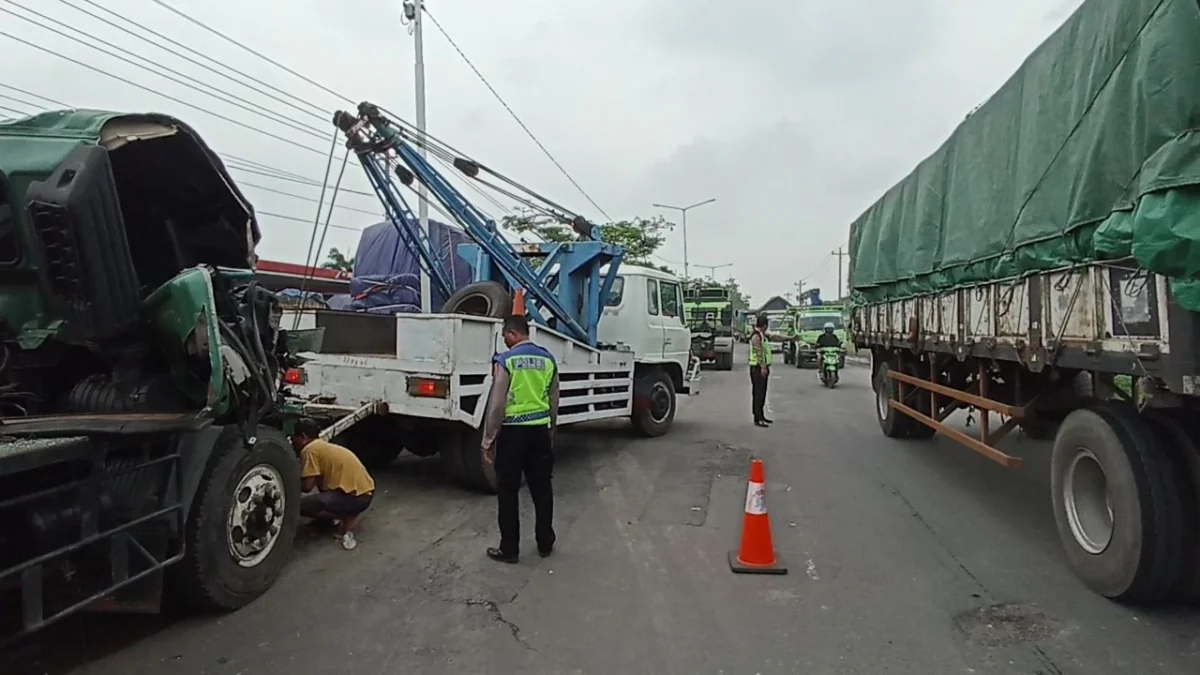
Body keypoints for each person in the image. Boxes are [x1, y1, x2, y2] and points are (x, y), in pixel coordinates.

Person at [480, 314, 559, 564]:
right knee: (542, 487)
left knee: (508, 490)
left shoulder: (507, 360)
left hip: (513, 433)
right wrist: (551, 431)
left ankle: (510, 549)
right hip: (539, 431)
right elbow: (554, 399)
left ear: (514, 334)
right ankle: (545, 542)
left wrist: (488, 439)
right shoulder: (548, 359)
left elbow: (497, 403)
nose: (504, 340)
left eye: (505, 335)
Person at [290, 419, 376, 550]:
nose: (292, 442)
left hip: (356, 498)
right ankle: (338, 516)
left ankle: (344, 516)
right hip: (366, 493)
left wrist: (288, 488)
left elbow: (307, 487)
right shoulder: (322, 446)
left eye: (294, 438)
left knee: (298, 506)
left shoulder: (309, 450)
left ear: (303, 437)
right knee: (320, 499)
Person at [748, 314, 773, 427]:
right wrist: (763, 367)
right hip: (757, 368)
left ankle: (761, 416)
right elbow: (759, 352)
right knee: (758, 394)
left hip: (761, 367)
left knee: (762, 393)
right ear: (764, 326)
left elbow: (775, 337)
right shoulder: (756, 337)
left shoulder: (761, 335)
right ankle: (758, 418)